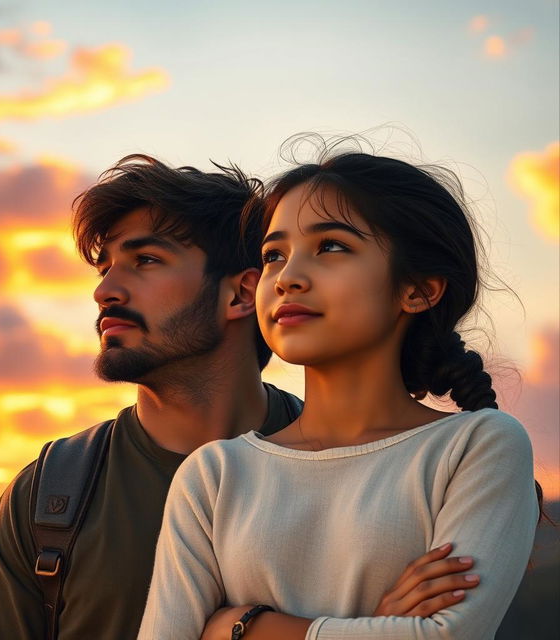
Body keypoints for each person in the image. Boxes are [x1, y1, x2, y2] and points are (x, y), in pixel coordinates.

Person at [0, 154, 481, 640]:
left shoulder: (378, 469)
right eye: (104, 268)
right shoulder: (49, 497)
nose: (106, 291)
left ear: (241, 293)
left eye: (144, 259)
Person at [138, 143, 540, 640]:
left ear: (418, 289)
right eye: (273, 255)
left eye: (330, 246)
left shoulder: (475, 447)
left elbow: (444, 636)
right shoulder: (215, 475)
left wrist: (241, 628)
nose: (287, 278)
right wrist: (376, 625)